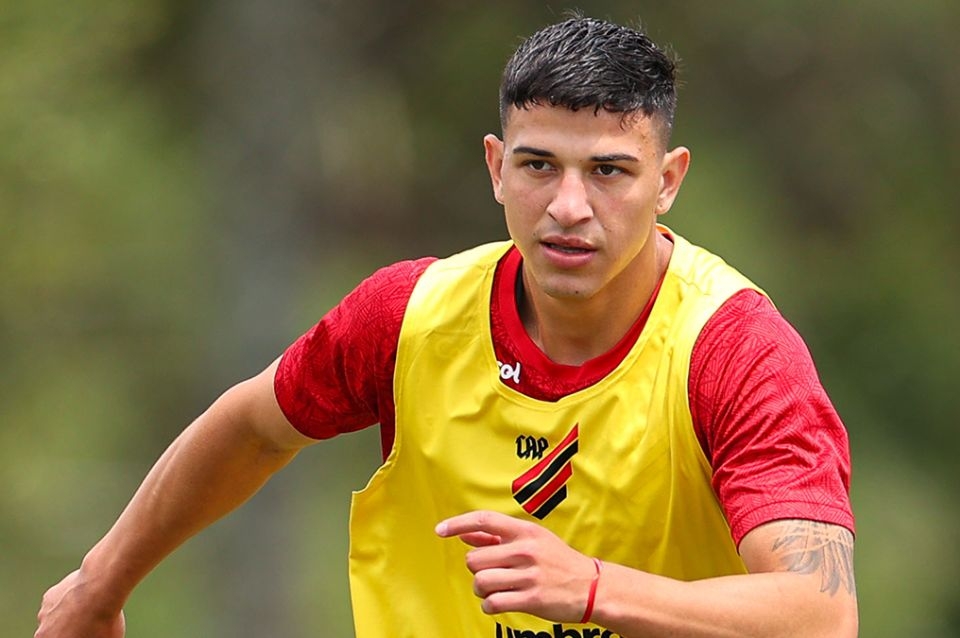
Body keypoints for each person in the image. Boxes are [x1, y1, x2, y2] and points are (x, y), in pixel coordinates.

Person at [35, 14, 857, 638]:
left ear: (668, 182)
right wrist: (99, 586)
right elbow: (252, 427)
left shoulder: (735, 350)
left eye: (609, 171)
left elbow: (821, 615)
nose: (569, 207)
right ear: (497, 166)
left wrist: (593, 588)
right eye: (539, 166)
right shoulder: (410, 317)